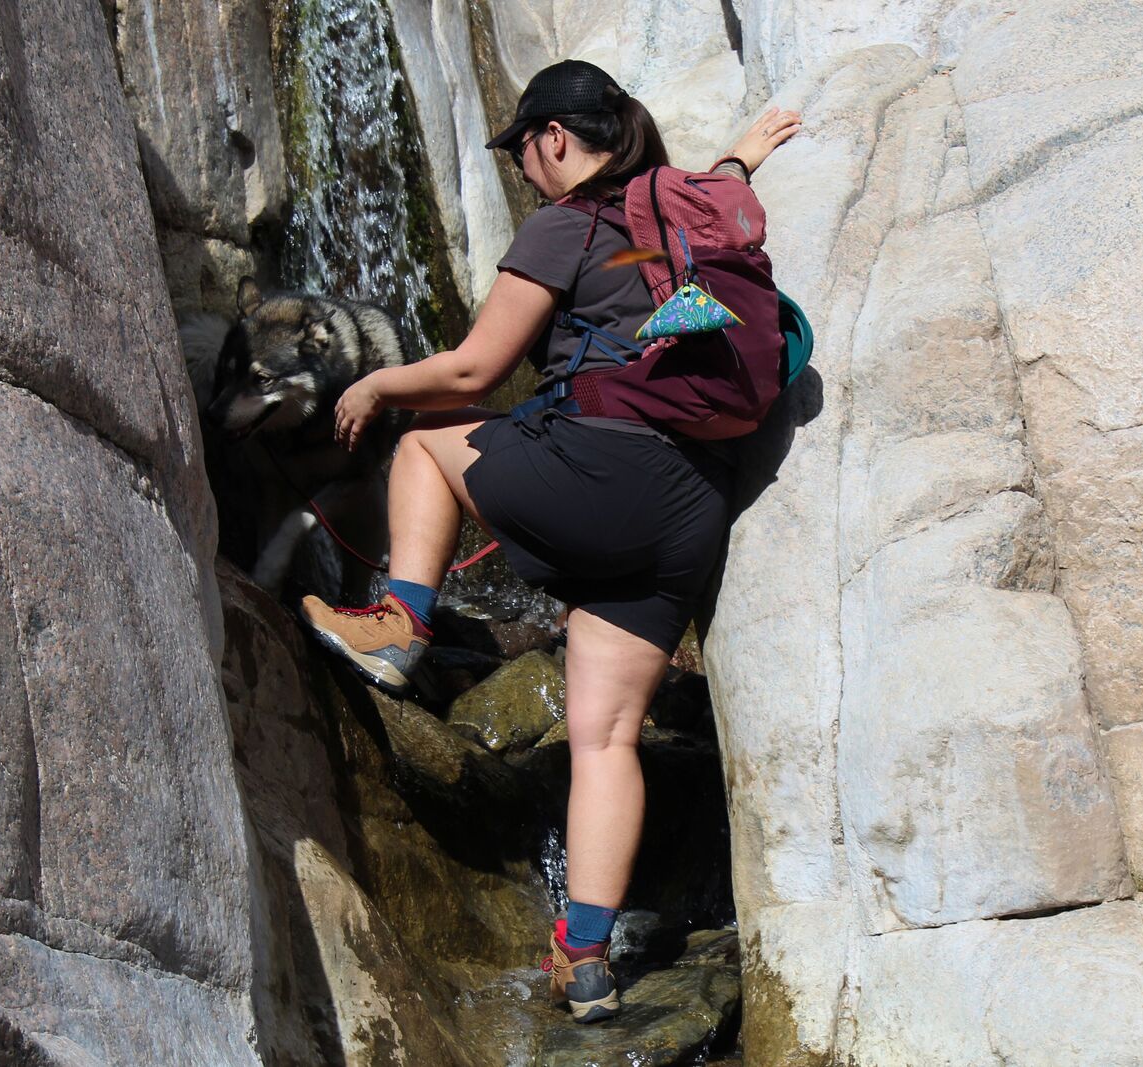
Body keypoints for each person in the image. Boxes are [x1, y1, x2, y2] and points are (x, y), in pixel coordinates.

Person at [301, 59, 801, 1023]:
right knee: (607, 736)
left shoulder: (566, 223)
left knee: (424, 449)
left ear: (557, 141)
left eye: (525, 153)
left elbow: (477, 366)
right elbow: (726, 180)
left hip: (603, 473)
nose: (525, 172)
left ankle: (400, 623)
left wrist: (373, 385)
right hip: (689, 508)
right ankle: (585, 958)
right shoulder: (686, 207)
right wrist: (746, 150)